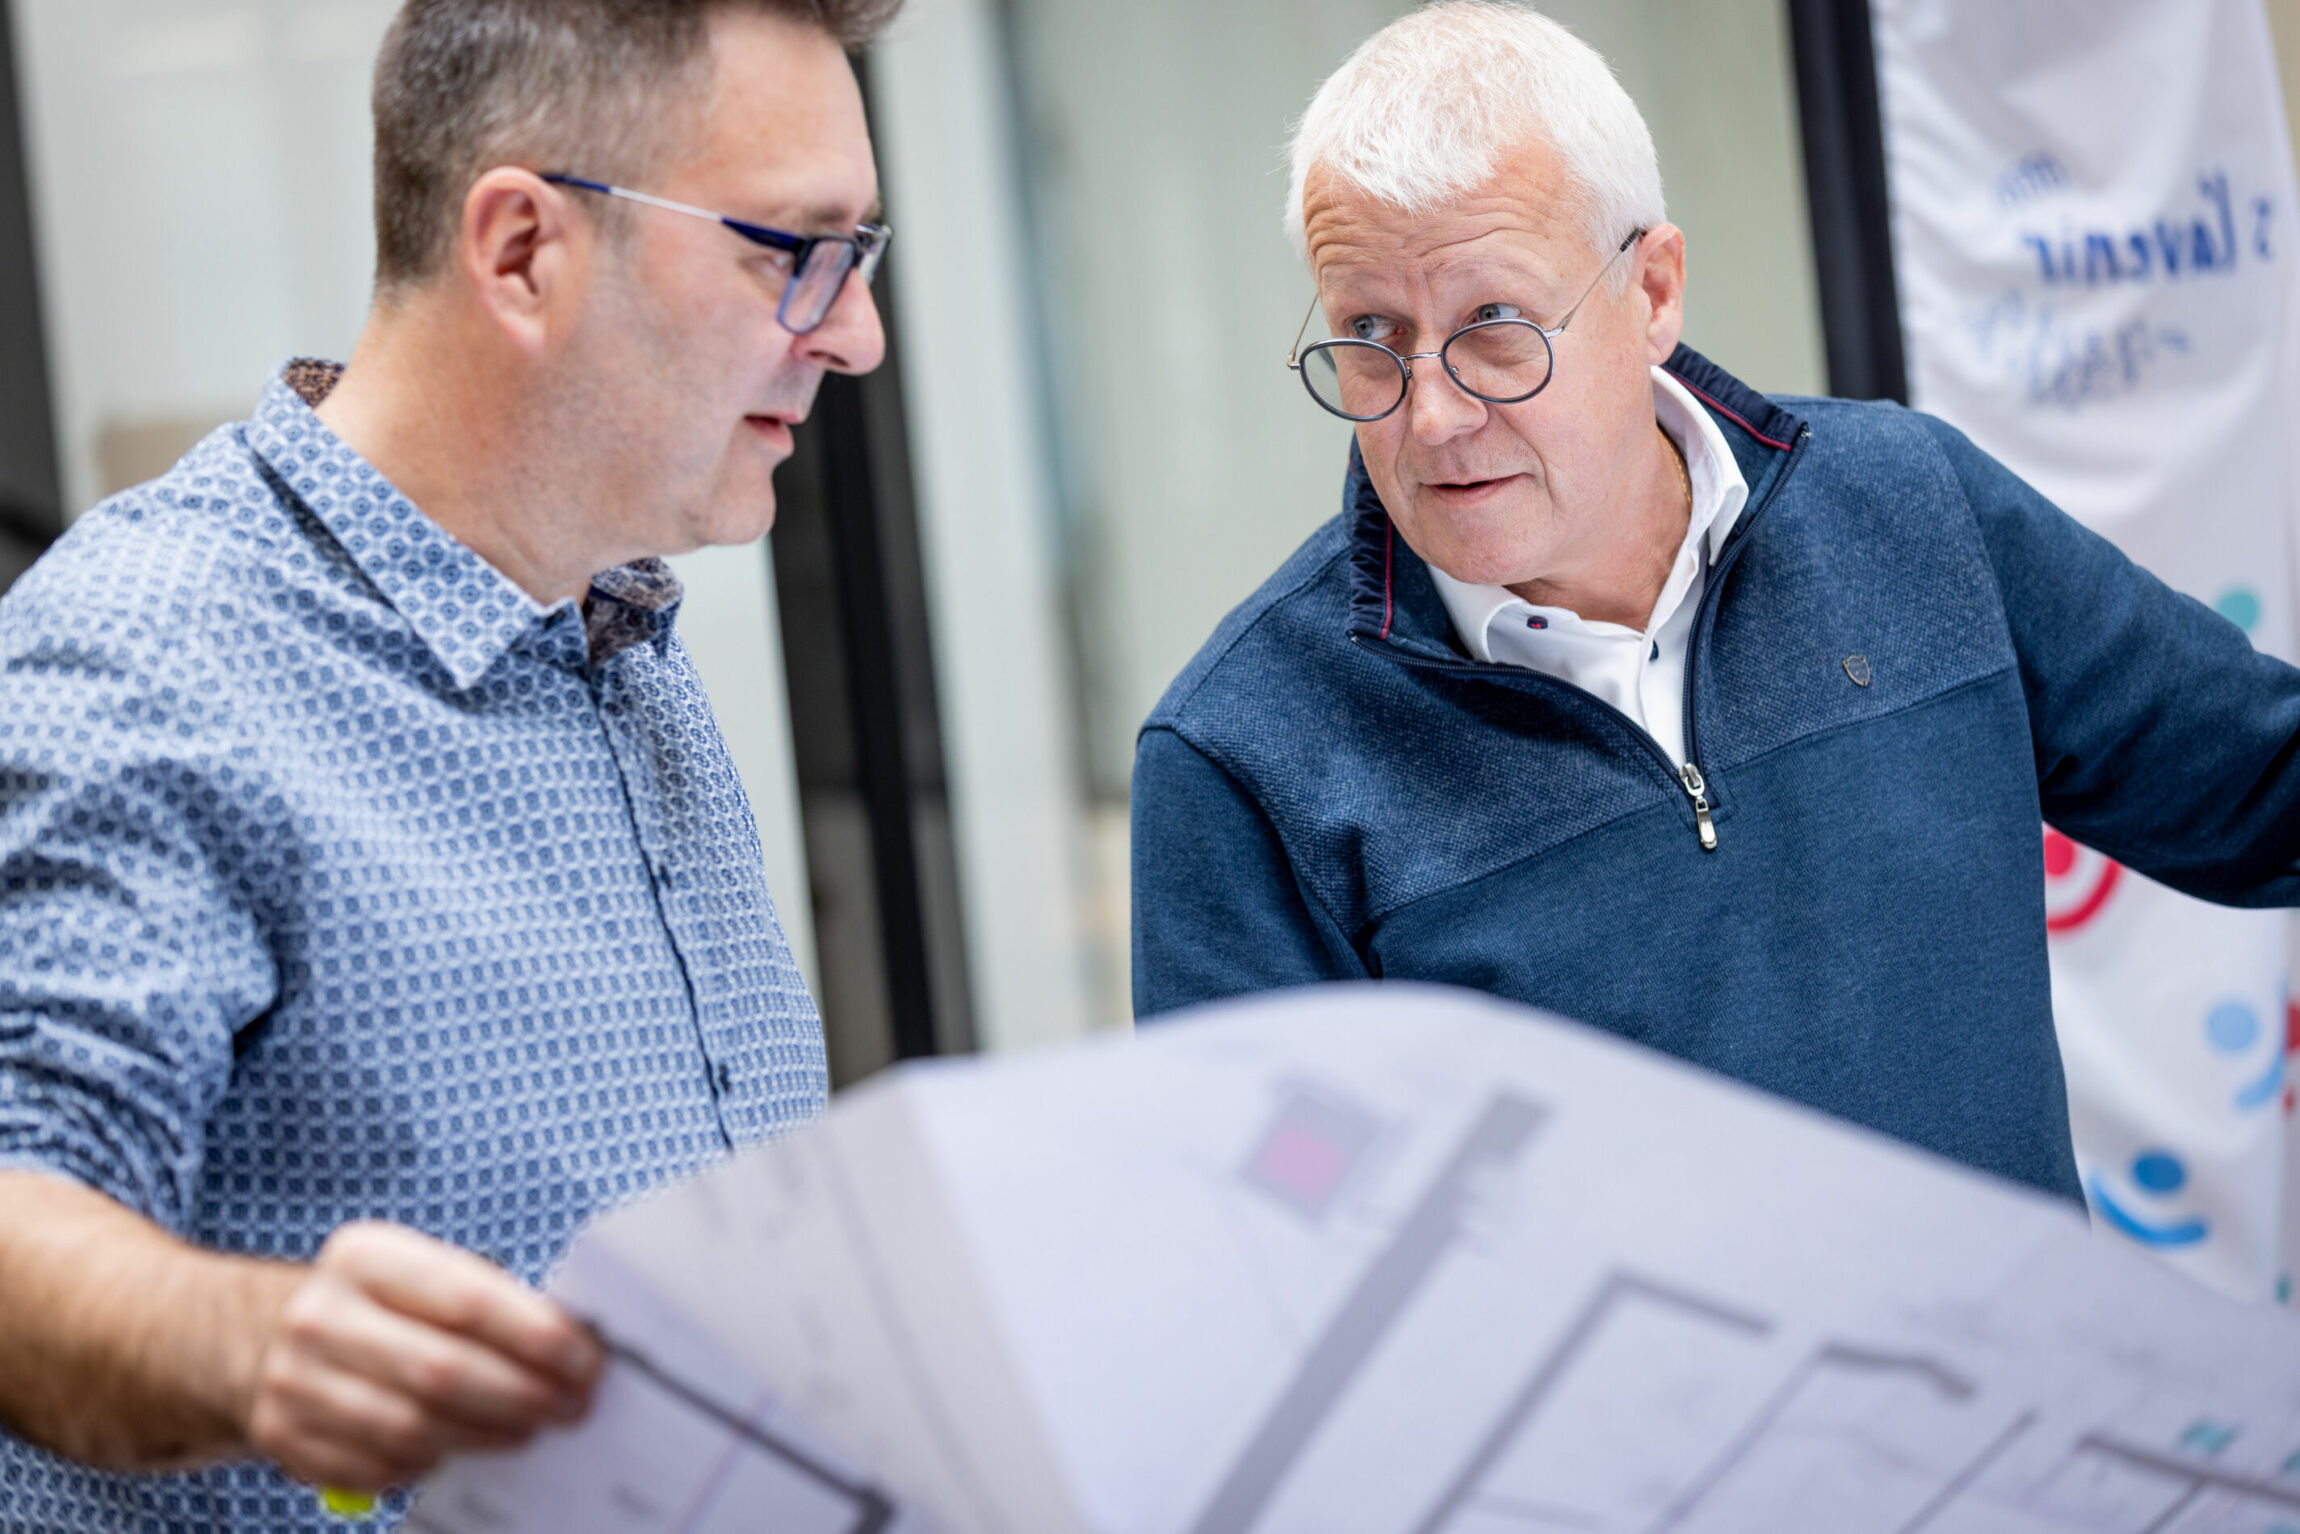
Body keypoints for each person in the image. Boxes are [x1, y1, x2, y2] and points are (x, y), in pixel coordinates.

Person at [1130, 0, 2300, 1205]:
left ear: (1653, 292)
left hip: (2027, 1395)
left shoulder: (1910, 509)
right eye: (1370, 336)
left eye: (1492, 327)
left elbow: (2263, 784)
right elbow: (1264, 1258)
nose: (1428, 416)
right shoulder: (1240, 761)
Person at [0, 0, 895, 1525]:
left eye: (857, 259)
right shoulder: (147, 657)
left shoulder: (618, 642)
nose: (856, 335)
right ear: (524, 252)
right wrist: (264, 1345)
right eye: (790, 253)